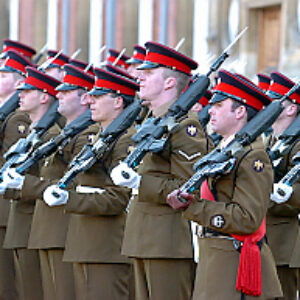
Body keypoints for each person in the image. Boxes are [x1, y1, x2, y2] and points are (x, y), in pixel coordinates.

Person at [167, 69, 282, 299]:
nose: (211, 111)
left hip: (233, 263)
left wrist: (194, 208)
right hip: (215, 260)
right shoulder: (223, 150)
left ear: (240, 111)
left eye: (219, 105)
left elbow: (247, 218)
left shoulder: (253, 157)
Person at [119, 41, 213, 300]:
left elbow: (189, 186)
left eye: (149, 74)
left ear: (170, 82)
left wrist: (139, 183)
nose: (140, 77)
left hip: (168, 241)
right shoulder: (151, 121)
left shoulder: (185, 126)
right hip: (142, 236)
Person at [3, 63, 99, 300]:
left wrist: (21, 185)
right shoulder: (46, 135)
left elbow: (67, 184)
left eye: (66, 93)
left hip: (57, 227)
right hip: (36, 228)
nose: (60, 96)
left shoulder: (62, 135)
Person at [43, 67, 139, 300]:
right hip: (83, 243)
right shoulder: (99, 137)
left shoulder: (126, 139)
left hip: (105, 247)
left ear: (118, 102)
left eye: (98, 97)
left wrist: (70, 198)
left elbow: (118, 198)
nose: (90, 101)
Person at [0, 66, 63, 300]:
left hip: (32, 220)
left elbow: (47, 181)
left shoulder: (50, 135)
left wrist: (15, 184)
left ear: (44, 97)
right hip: (22, 220)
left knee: (32, 290)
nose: (21, 94)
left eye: (28, 90)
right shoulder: (36, 132)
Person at [0, 49, 33, 300]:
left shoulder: (18, 118)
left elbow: (11, 162)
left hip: (5, 209)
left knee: (8, 280)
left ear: (20, 82)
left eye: (4, 74)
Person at [265, 72, 300, 300]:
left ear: (291, 109)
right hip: (266, 242)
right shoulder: (270, 141)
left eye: (274, 101)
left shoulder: (296, 145)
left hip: (285, 246)